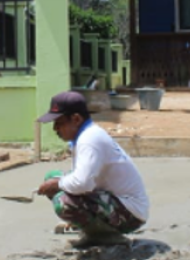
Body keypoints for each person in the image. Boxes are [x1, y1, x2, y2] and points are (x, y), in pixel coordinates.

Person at [35, 91, 150, 247]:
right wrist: (56, 182)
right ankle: (91, 227)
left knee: (63, 202)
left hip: (130, 213)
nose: (55, 128)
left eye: (59, 123)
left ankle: (104, 236)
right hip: (117, 201)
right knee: (53, 177)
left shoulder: (89, 140)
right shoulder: (84, 136)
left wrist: (56, 185)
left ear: (76, 119)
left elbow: (83, 184)